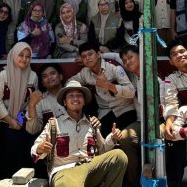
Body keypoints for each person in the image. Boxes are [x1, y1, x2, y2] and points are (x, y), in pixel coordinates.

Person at [31, 80, 128, 187]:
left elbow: (102, 150)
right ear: (64, 102)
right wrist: (40, 148)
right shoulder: (54, 124)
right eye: (71, 96)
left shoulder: (92, 123)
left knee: (119, 156)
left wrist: (113, 138)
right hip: (64, 171)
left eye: (79, 95)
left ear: (84, 101)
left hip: (90, 168)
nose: (75, 98)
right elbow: (34, 149)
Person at [70, 42, 140, 187]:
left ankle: (131, 182)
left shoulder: (114, 67)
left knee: (123, 140)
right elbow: (71, 81)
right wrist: (80, 92)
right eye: (83, 57)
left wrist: (109, 85)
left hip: (125, 109)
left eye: (90, 54)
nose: (87, 58)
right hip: (105, 112)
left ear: (98, 54)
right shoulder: (85, 73)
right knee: (93, 138)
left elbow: (131, 91)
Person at [0, 42, 38, 183]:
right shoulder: (1, 75)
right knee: (8, 140)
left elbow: (30, 102)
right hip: (1, 120)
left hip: (20, 118)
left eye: (28, 56)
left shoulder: (32, 76)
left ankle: (21, 181)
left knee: (25, 141)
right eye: (21, 55)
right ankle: (2, 181)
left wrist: (19, 121)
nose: (24, 59)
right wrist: (10, 121)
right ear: (13, 56)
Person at [26, 63, 66, 135]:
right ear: (43, 83)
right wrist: (31, 106)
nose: (49, 77)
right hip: (49, 140)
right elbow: (32, 130)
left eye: (52, 73)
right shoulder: (39, 100)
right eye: (45, 76)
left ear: (61, 76)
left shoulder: (72, 95)